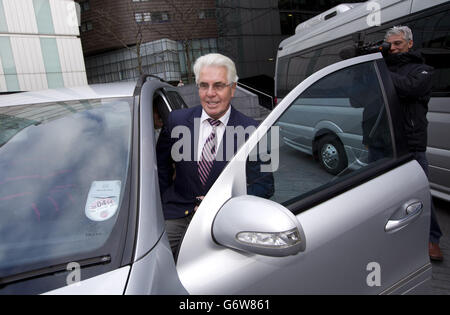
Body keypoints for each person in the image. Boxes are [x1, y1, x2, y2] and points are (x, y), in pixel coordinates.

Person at [156, 53, 274, 258]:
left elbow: (265, 184)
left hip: (224, 216)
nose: (210, 93)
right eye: (203, 85)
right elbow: (161, 168)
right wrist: (163, 200)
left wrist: (224, 204)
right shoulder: (177, 120)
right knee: (154, 261)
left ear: (233, 88)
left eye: (218, 85)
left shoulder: (254, 130)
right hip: (178, 213)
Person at [384, 26, 443, 261]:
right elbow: (357, 100)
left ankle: (432, 238)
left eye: (398, 43)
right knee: (382, 197)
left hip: (411, 144)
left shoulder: (422, 70)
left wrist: (379, 71)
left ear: (410, 43)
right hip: (381, 143)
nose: (394, 48)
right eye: (391, 45)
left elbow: (412, 88)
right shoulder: (381, 69)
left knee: (420, 194)